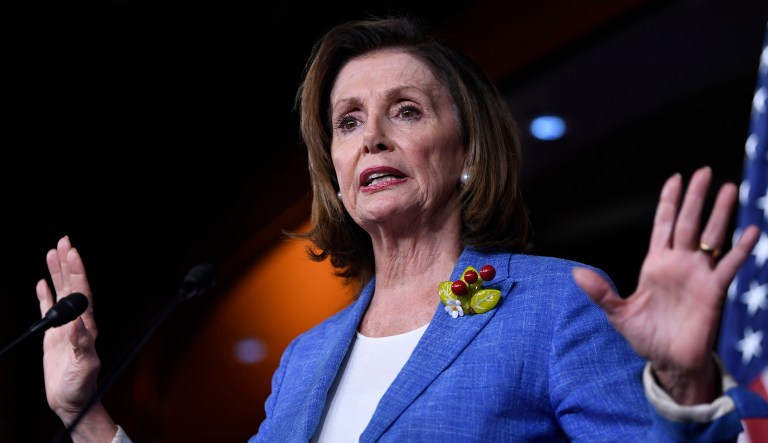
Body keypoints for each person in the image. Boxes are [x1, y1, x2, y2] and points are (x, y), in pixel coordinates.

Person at [37, 16, 766, 442]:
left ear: (469, 154)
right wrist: (85, 415)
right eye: (348, 122)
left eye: (407, 110)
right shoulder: (303, 358)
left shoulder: (555, 305)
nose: (372, 138)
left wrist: (679, 383)